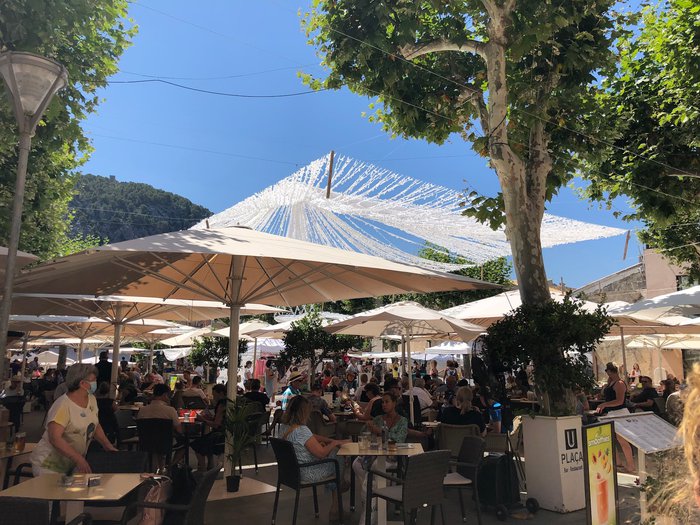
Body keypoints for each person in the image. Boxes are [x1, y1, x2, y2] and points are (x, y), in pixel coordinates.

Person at [31, 364, 117, 475]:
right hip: (50, 464)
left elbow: (94, 424)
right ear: (82, 383)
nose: (96, 382)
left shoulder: (91, 399)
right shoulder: (63, 405)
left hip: (72, 463)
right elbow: (55, 438)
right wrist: (78, 459)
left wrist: (107, 445)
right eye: (93, 380)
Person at [280, 395, 349, 521]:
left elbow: (311, 437)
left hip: (290, 473)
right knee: (337, 456)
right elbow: (321, 454)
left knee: (333, 456)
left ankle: (340, 484)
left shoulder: (284, 428)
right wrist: (334, 443)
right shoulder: (302, 430)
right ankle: (336, 504)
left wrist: (329, 441)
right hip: (307, 473)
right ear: (303, 412)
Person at [353, 391, 409, 525]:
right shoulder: (378, 419)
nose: (384, 404)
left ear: (394, 403)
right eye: (382, 402)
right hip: (376, 455)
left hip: (393, 458)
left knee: (373, 471)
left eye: (387, 401)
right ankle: (377, 497)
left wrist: (379, 431)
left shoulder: (402, 421)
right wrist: (368, 428)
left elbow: (398, 440)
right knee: (356, 464)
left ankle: (369, 510)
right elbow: (363, 434)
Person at [596, 362, 635, 473]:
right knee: (610, 439)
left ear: (609, 371)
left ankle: (631, 466)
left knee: (622, 440)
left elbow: (619, 401)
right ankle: (618, 462)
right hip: (611, 413)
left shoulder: (619, 383)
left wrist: (604, 404)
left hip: (619, 413)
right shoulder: (611, 382)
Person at [190, 384, 228, 471]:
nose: (213, 397)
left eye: (215, 395)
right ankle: (210, 465)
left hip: (220, 436)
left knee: (197, 444)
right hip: (224, 433)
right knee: (206, 439)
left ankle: (202, 469)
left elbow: (216, 424)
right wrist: (211, 418)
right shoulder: (228, 402)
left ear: (221, 393)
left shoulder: (221, 405)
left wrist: (203, 419)